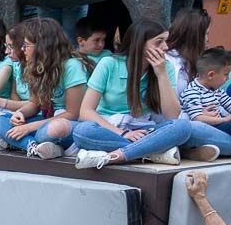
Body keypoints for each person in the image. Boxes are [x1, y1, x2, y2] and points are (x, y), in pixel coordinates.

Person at [73, 20, 214, 169]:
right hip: (110, 128)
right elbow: (85, 112)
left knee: (182, 126)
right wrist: (123, 133)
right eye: (159, 42)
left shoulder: (165, 68)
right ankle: (155, 152)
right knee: (82, 131)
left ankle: (120, 155)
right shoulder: (109, 63)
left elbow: (172, 115)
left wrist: (161, 75)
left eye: (166, 41)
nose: (165, 47)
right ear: (139, 43)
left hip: (146, 129)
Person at [0, 17, 90, 159]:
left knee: (51, 131)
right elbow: (34, 104)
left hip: (66, 124)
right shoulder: (37, 66)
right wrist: (20, 114)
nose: (23, 50)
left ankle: (22, 143)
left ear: (42, 46)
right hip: (45, 119)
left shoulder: (72, 66)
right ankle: (34, 147)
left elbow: (73, 114)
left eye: (26, 45)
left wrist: (29, 127)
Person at [181, 48, 231, 135]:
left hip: (218, 127)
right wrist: (224, 119)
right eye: (226, 74)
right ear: (211, 75)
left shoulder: (217, 90)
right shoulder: (192, 92)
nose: (228, 78)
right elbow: (197, 118)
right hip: (205, 132)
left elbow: (229, 103)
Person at [167, 8, 212, 95]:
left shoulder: (194, 60)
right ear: (194, 36)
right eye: (206, 34)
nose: (207, 39)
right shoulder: (170, 62)